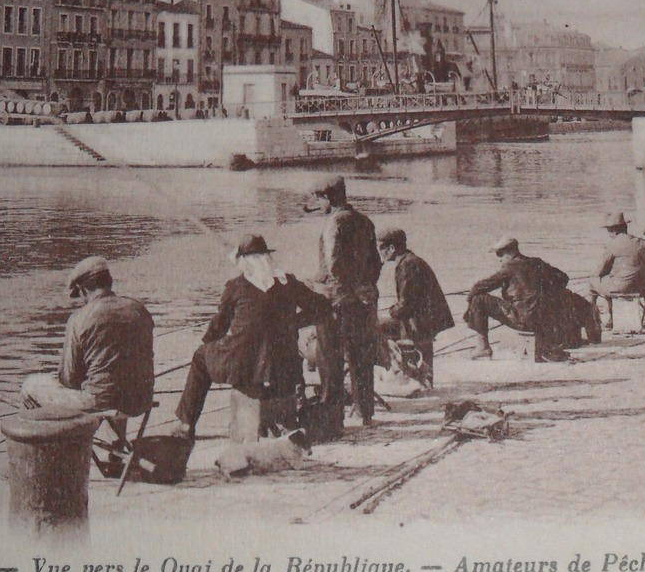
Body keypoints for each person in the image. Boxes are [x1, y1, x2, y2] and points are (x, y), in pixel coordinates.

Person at [170, 235, 331, 437]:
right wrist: (294, 323)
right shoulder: (288, 282)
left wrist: (208, 345)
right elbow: (323, 308)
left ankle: (186, 424)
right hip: (283, 363)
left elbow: (218, 326)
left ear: (244, 262)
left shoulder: (236, 286)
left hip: (243, 364)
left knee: (200, 357)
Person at [20, 255, 155, 419]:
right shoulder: (139, 308)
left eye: (80, 294)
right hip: (141, 400)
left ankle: (60, 442)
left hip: (101, 403)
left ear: (82, 289)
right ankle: (116, 442)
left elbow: (69, 380)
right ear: (109, 282)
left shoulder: (79, 318)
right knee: (117, 382)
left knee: (30, 385)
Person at [310, 175, 383, 425]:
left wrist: (344, 287)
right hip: (364, 300)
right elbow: (376, 262)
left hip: (336, 299)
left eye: (319, 200)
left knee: (329, 357)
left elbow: (333, 264)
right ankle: (365, 413)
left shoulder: (334, 222)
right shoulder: (365, 221)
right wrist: (365, 287)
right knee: (361, 355)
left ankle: (333, 417)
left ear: (329, 198)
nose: (319, 206)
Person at [464, 236, 573, 362]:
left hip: (524, 321)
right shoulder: (538, 263)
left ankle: (483, 347)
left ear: (510, 252)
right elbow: (563, 278)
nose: (499, 259)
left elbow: (477, 288)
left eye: (500, 254)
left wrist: (469, 304)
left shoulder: (509, 268)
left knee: (478, 300)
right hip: (545, 320)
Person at [375, 227, 455, 388]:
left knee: (375, 327)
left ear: (392, 248)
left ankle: (404, 373)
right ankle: (421, 376)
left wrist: (389, 311)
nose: (380, 253)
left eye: (381, 248)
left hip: (421, 321)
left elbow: (406, 305)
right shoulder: (412, 260)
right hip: (428, 318)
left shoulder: (406, 265)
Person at [585, 210, 645, 330]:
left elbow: (600, 271)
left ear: (612, 230)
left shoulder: (613, 245)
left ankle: (593, 323)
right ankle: (612, 318)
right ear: (625, 227)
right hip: (644, 288)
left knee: (592, 283)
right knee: (611, 281)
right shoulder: (644, 243)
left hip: (621, 288)